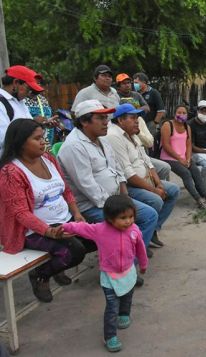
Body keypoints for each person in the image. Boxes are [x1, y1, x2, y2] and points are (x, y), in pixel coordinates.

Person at [57, 99, 158, 263]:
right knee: (128, 223)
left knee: (149, 214)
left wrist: (125, 197)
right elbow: (88, 186)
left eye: (106, 118)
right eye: (101, 118)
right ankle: (124, 265)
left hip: (115, 199)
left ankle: (129, 259)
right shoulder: (74, 146)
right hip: (91, 205)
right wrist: (118, 207)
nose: (107, 122)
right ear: (84, 121)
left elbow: (118, 169)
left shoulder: (102, 138)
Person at [0, 119, 87, 302]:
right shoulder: (10, 172)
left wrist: (77, 215)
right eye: (37, 138)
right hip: (32, 230)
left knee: (93, 240)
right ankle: (41, 275)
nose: (43, 142)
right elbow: (21, 213)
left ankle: (57, 266)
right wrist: (49, 232)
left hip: (64, 219)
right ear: (21, 142)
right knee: (74, 252)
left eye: (43, 137)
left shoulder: (48, 159)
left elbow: (66, 190)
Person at [62, 195, 148, 353]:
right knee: (111, 308)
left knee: (128, 295)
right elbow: (82, 228)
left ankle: (125, 314)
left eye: (131, 217)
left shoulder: (134, 230)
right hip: (109, 276)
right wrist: (65, 227)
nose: (128, 221)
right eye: (123, 218)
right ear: (109, 218)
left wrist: (143, 264)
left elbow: (140, 248)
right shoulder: (100, 230)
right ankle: (110, 336)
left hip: (128, 271)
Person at [105, 103, 180, 248]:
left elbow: (147, 162)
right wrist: (154, 190)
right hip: (127, 186)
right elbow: (128, 175)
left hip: (145, 180)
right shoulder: (114, 137)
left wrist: (159, 184)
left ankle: (151, 230)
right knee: (156, 200)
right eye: (133, 117)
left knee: (173, 190)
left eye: (137, 117)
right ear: (120, 120)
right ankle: (138, 241)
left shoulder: (133, 134)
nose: (137, 121)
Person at [160, 104, 206, 209]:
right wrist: (180, 159)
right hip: (169, 158)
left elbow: (188, 145)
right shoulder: (167, 125)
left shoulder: (187, 127)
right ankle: (198, 199)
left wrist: (188, 158)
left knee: (196, 172)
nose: (181, 115)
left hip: (184, 158)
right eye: (179, 113)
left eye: (184, 113)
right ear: (174, 114)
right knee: (186, 174)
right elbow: (166, 145)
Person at [1, 65, 45, 156]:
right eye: (28, 89)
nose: (29, 94)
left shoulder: (20, 102)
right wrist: (33, 125)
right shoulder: (2, 104)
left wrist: (39, 125)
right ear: (16, 83)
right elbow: (4, 139)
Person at [115, 73, 154, 150]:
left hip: (139, 121)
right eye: (124, 83)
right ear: (118, 86)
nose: (127, 85)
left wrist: (133, 112)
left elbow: (146, 108)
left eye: (128, 83)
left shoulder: (136, 95)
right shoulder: (115, 96)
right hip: (124, 126)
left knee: (146, 143)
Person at [133, 72, 165, 138]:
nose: (134, 85)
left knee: (149, 143)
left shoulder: (154, 93)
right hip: (137, 123)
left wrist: (154, 123)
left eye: (136, 82)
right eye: (134, 82)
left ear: (144, 82)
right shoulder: (134, 94)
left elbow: (161, 111)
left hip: (149, 124)